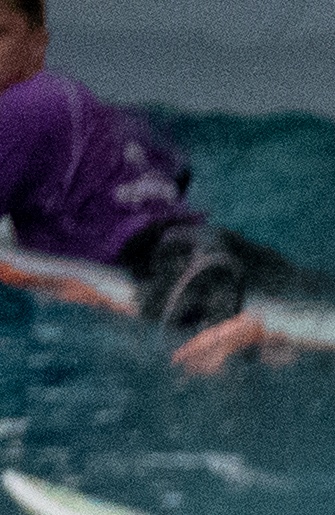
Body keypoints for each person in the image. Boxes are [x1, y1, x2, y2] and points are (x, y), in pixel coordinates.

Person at [0, 0, 309, 374]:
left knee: (200, 358)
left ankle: (246, 333)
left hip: (161, 269)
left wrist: (50, 281)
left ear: (37, 44)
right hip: (207, 248)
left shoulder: (22, 103)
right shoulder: (97, 108)